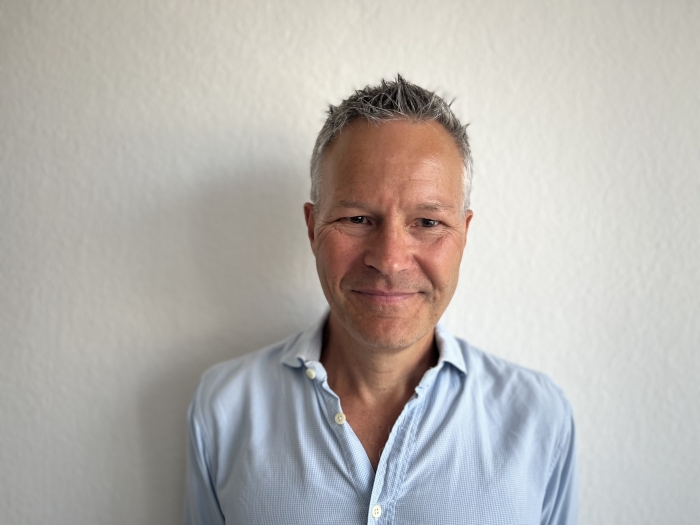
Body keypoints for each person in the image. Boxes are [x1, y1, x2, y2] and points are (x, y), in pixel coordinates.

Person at [183, 76, 578, 524]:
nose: (389, 260)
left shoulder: (537, 418)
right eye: (357, 218)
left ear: (464, 234)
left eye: (427, 222)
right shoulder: (223, 409)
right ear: (312, 228)